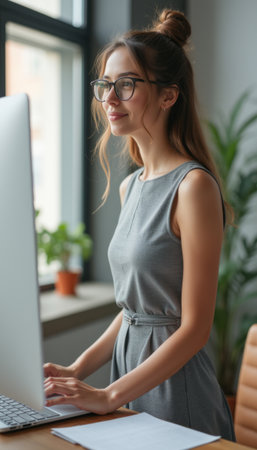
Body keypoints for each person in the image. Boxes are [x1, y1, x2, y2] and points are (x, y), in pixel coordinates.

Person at [44, 9, 235, 440]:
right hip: (130, 380)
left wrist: (109, 395)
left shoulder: (193, 187)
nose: (110, 97)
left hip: (178, 392)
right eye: (105, 85)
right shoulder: (132, 187)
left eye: (126, 85)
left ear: (169, 96)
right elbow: (135, 313)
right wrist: (79, 369)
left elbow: (194, 328)